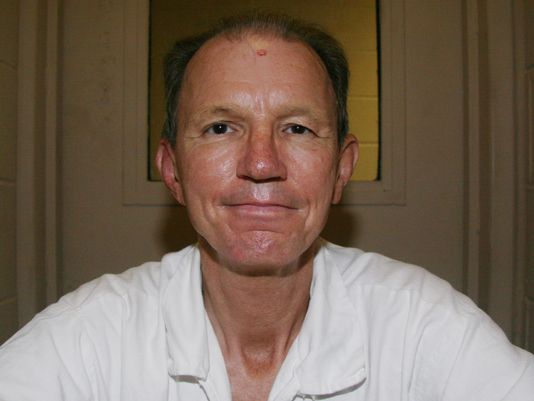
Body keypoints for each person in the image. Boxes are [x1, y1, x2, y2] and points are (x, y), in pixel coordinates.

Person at [1, 12, 533, 401]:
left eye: (297, 128)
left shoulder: (424, 327)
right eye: (220, 127)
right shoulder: (87, 342)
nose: (261, 163)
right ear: (172, 171)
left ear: (341, 169)